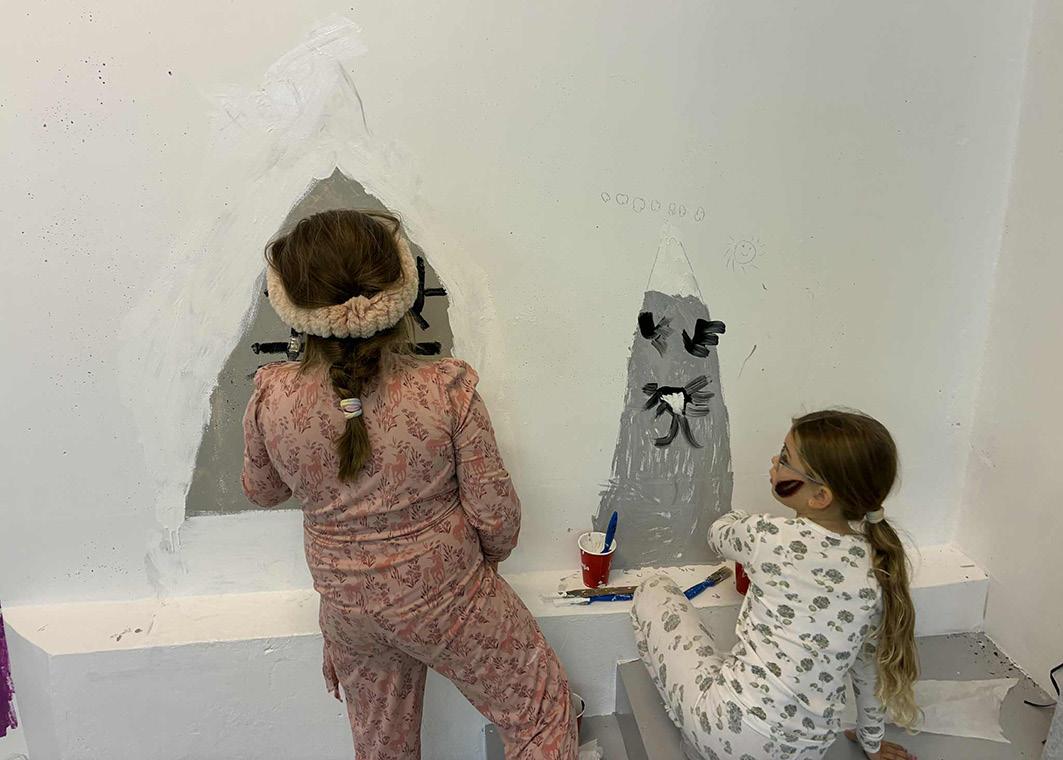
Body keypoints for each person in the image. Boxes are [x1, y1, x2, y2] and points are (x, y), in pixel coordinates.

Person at [241, 209, 577, 759]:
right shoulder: (446, 390)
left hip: (346, 611)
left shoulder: (270, 395)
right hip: (448, 597)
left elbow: (264, 490)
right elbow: (498, 519)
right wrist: (478, 575)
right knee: (541, 715)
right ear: (401, 292)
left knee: (382, 750)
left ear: (292, 307)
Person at [631, 410, 920, 760]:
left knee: (653, 588)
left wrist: (738, 516)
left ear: (820, 496)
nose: (774, 461)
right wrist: (871, 743)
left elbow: (717, 534)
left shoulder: (767, 536)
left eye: (784, 458)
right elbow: (867, 669)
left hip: (723, 735)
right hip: (806, 753)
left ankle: (695, 741)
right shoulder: (877, 567)